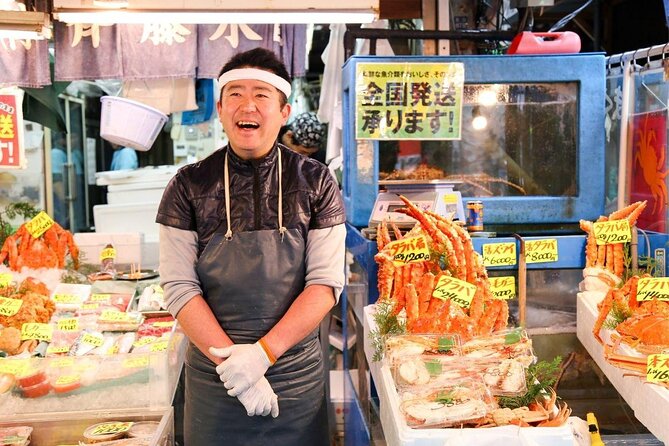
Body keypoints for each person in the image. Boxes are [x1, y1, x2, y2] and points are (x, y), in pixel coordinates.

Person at [156, 47, 346, 445]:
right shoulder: (188, 185)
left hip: (294, 379)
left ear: (284, 111)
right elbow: (178, 287)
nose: (248, 105)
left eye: (261, 94)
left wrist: (262, 355)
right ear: (221, 108)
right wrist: (235, 369)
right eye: (236, 94)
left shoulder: (316, 182)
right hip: (216, 380)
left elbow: (325, 284)